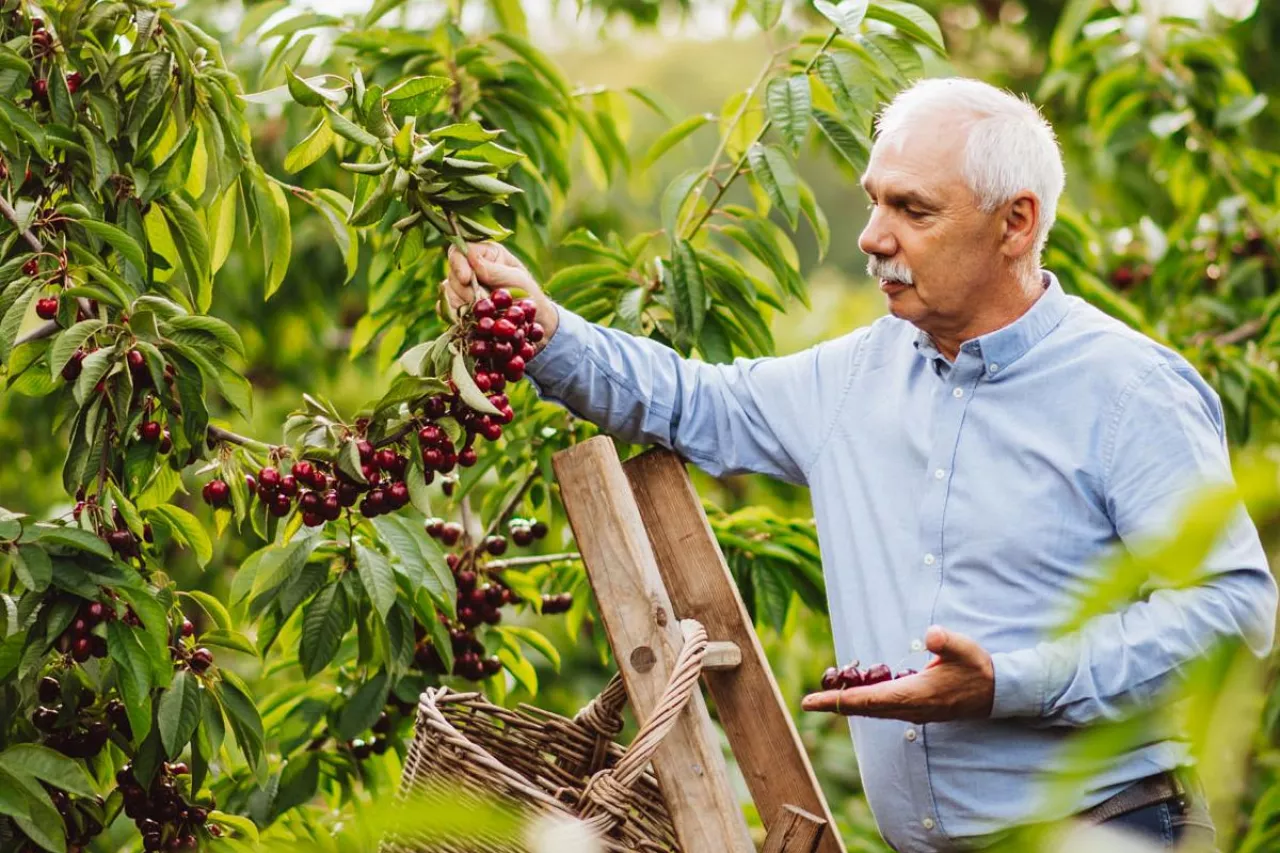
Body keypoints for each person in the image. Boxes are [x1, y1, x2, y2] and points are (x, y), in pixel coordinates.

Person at [442, 77, 1275, 852]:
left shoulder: (1128, 390)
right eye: (877, 200)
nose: (874, 237)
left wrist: (1010, 682)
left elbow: (1233, 613)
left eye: (913, 210)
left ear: (1015, 222)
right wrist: (543, 327)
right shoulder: (855, 377)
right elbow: (692, 401)